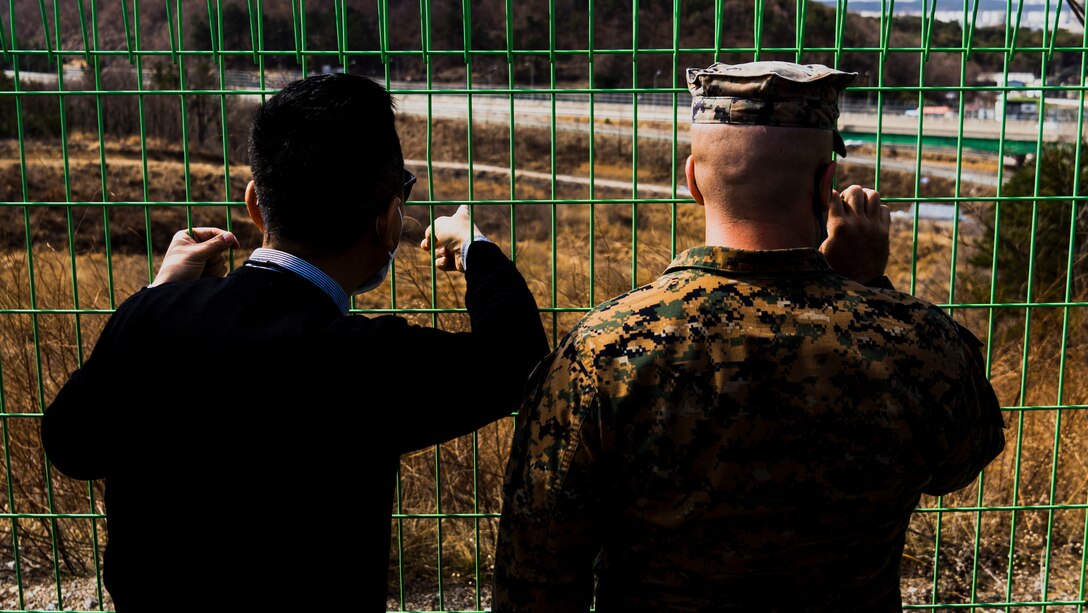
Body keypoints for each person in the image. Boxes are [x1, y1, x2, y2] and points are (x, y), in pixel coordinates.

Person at [492, 61, 1006, 612]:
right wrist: (865, 289)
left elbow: (537, 573)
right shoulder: (916, 342)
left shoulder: (604, 350)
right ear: (825, 186)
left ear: (692, 179)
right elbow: (962, 461)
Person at [41, 73, 549, 611]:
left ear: (255, 205)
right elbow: (517, 362)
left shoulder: (149, 322)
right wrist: (474, 247)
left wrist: (157, 295)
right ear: (387, 222)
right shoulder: (363, 359)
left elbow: (71, 444)